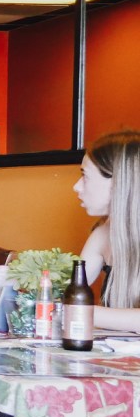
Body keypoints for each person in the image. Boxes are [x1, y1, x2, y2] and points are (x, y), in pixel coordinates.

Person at [75, 130, 140, 333]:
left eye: (85, 176)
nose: (76, 187)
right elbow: (70, 289)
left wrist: (78, 311)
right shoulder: (103, 234)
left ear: (118, 182)